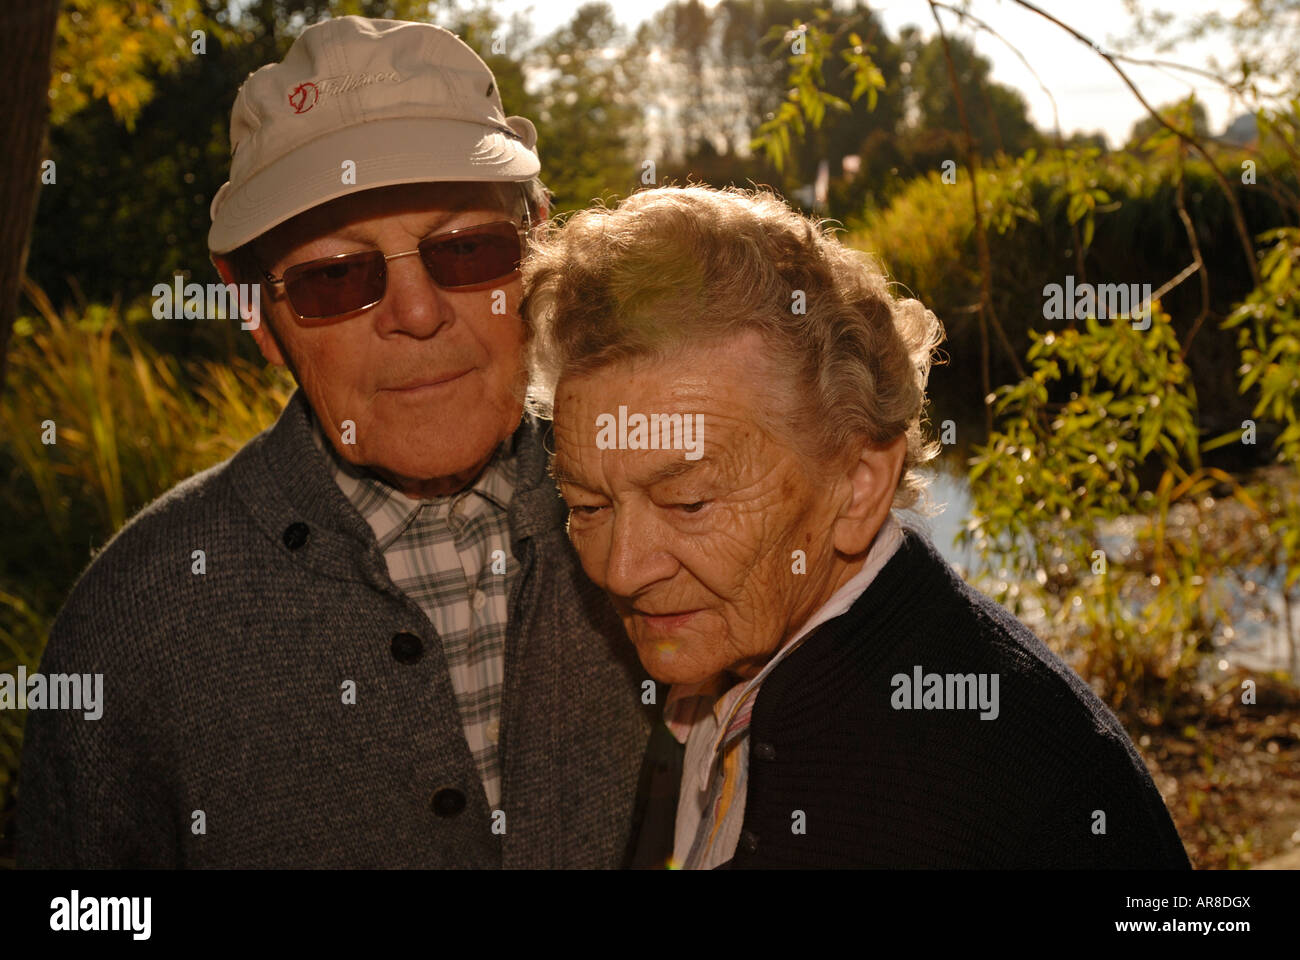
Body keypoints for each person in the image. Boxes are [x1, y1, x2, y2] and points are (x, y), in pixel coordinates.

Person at [18, 16, 651, 868]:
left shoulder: (675, 513)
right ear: (256, 311)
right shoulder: (136, 622)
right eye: (335, 277)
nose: (418, 312)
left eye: (466, 251)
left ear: (538, 243)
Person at [523, 184, 1193, 869]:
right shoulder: (794, 660)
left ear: (858, 486)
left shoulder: (909, 794)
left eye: (689, 503)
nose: (623, 568)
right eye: (587, 507)